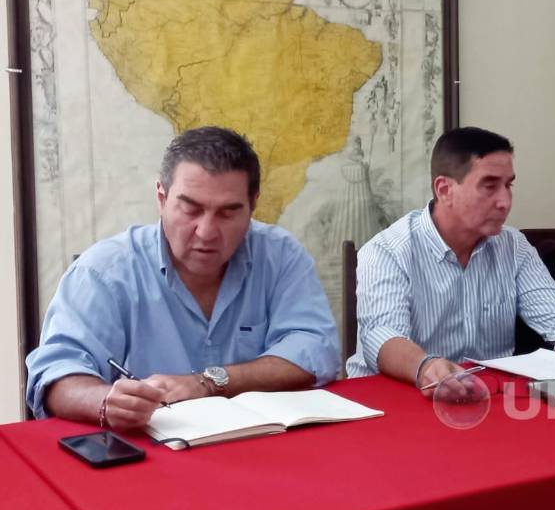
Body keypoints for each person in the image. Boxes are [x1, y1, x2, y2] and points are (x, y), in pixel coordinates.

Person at [26, 127, 340, 430]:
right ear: (161, 198)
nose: (206, 232)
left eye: (228, 213)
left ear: (252, 205)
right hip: (148, 449)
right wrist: (106, 402)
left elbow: (315, 349)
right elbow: (55, 376)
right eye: (191, 209)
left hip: (258, 443)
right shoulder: (103, 272)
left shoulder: (280, 255)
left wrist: (209, 382)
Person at [346, 126, 555, 389]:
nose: (505, 201)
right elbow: (383, 339)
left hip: (485, 398)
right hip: (398, 399)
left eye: (508, 185)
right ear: (444, 189)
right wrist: (426, 367)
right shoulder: (388, 251)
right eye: (489, 186)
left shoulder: (512, 246)